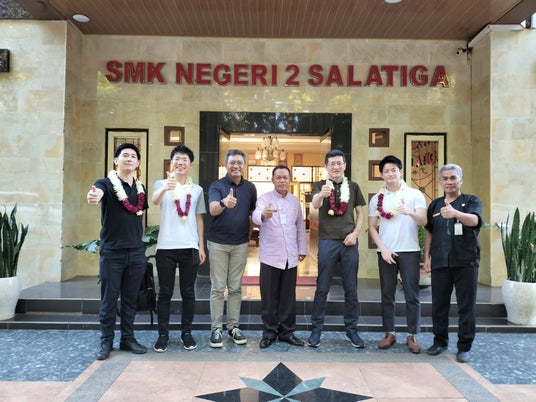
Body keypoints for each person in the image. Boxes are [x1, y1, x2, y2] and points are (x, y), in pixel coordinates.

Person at [87, 143, 149, 361]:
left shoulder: (141, 188)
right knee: (109, 299)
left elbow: (141, 217)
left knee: (131, 300)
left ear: (138, 163)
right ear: (116, 160)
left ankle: (127, 338)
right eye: (125, 155)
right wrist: (94, 196)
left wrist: (140, 242)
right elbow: (97, 193)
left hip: (136, 252)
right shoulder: (105, 183)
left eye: (133, 156)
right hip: (113, 252)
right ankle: (106, 341)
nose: (129, 158)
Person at [423, 164, 483, 363]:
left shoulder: (471, 201)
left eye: (453, 178)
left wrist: (456, 213)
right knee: (439, 305)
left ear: (460, 180)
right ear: (441, 181)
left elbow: (474, 221)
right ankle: (440, 341)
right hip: (441, 261)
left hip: (465, 262)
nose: (449, 182)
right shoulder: (435, 205)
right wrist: (427, 257)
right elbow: (429, 231)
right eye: (445, 178)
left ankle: (464, 347)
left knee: (466, 306)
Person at [368, 155, 427, 354]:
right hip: (386, 251)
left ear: (401, 172)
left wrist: (410, 212)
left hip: (410, 251)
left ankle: (412, 334)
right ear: (382, 175)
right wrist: (383, 249)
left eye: (394, 170)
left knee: (412, 294)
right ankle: (389, 333)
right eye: (386, 171)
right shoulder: (377, 199)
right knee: (387, 294)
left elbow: (424, 221)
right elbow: (372, 227)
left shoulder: (415, 194)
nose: (390, 173)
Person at [308, 149, 366, 348]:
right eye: (331, 164)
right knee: (322, 287)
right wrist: (321, 195)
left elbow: (360, 214)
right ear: (326, 167)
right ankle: (316, 330)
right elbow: (315, 205)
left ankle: (352, 330)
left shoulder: (354, 187)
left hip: (349, 241)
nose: (336, 167)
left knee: (351, 288)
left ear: (345, 166)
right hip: (327, 241)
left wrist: (355, 234)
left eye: (339, 163)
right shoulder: (320, 185)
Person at [151, 145, 206, 352]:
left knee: (188, 292)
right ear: (171, 162)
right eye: (177, 159)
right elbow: (154, 201)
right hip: (166, 247)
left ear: (190, 165)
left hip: (189, 246)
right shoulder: (161, 184)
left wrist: (201, 246)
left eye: (185, 160)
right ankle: (163, 334)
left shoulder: (197, 190)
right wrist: (166, 187)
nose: (181, 163)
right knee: (164, 292)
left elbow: (199, 218)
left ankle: (186, 333)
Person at [252, 166, 307, 349]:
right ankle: (269, 333)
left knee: (288, 298)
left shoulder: (294, 201)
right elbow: (255, 216)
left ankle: (287, 332)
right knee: (269, 298)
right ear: (273, 180)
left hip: (290, 257)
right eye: (279, 177)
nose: (282, 180)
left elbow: (300, 226)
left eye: (285, 177)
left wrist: (302, 249)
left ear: (289, 180)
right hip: (270, 257)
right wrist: (263, 214)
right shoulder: (264, 199)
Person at [207, 149, 257, 347]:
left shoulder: (250, 188)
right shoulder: (217, 185)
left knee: (235, 288)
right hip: (218, 244)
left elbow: (252, 214)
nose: (236, 166)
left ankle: (233, 327)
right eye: (232, 163)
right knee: (218, 288)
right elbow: (212, 210)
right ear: (226, 165)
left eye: (239, 163)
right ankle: (216, 329)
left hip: (240, 244)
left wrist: (248, 236)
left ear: (244, 165)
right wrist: (224, 202)